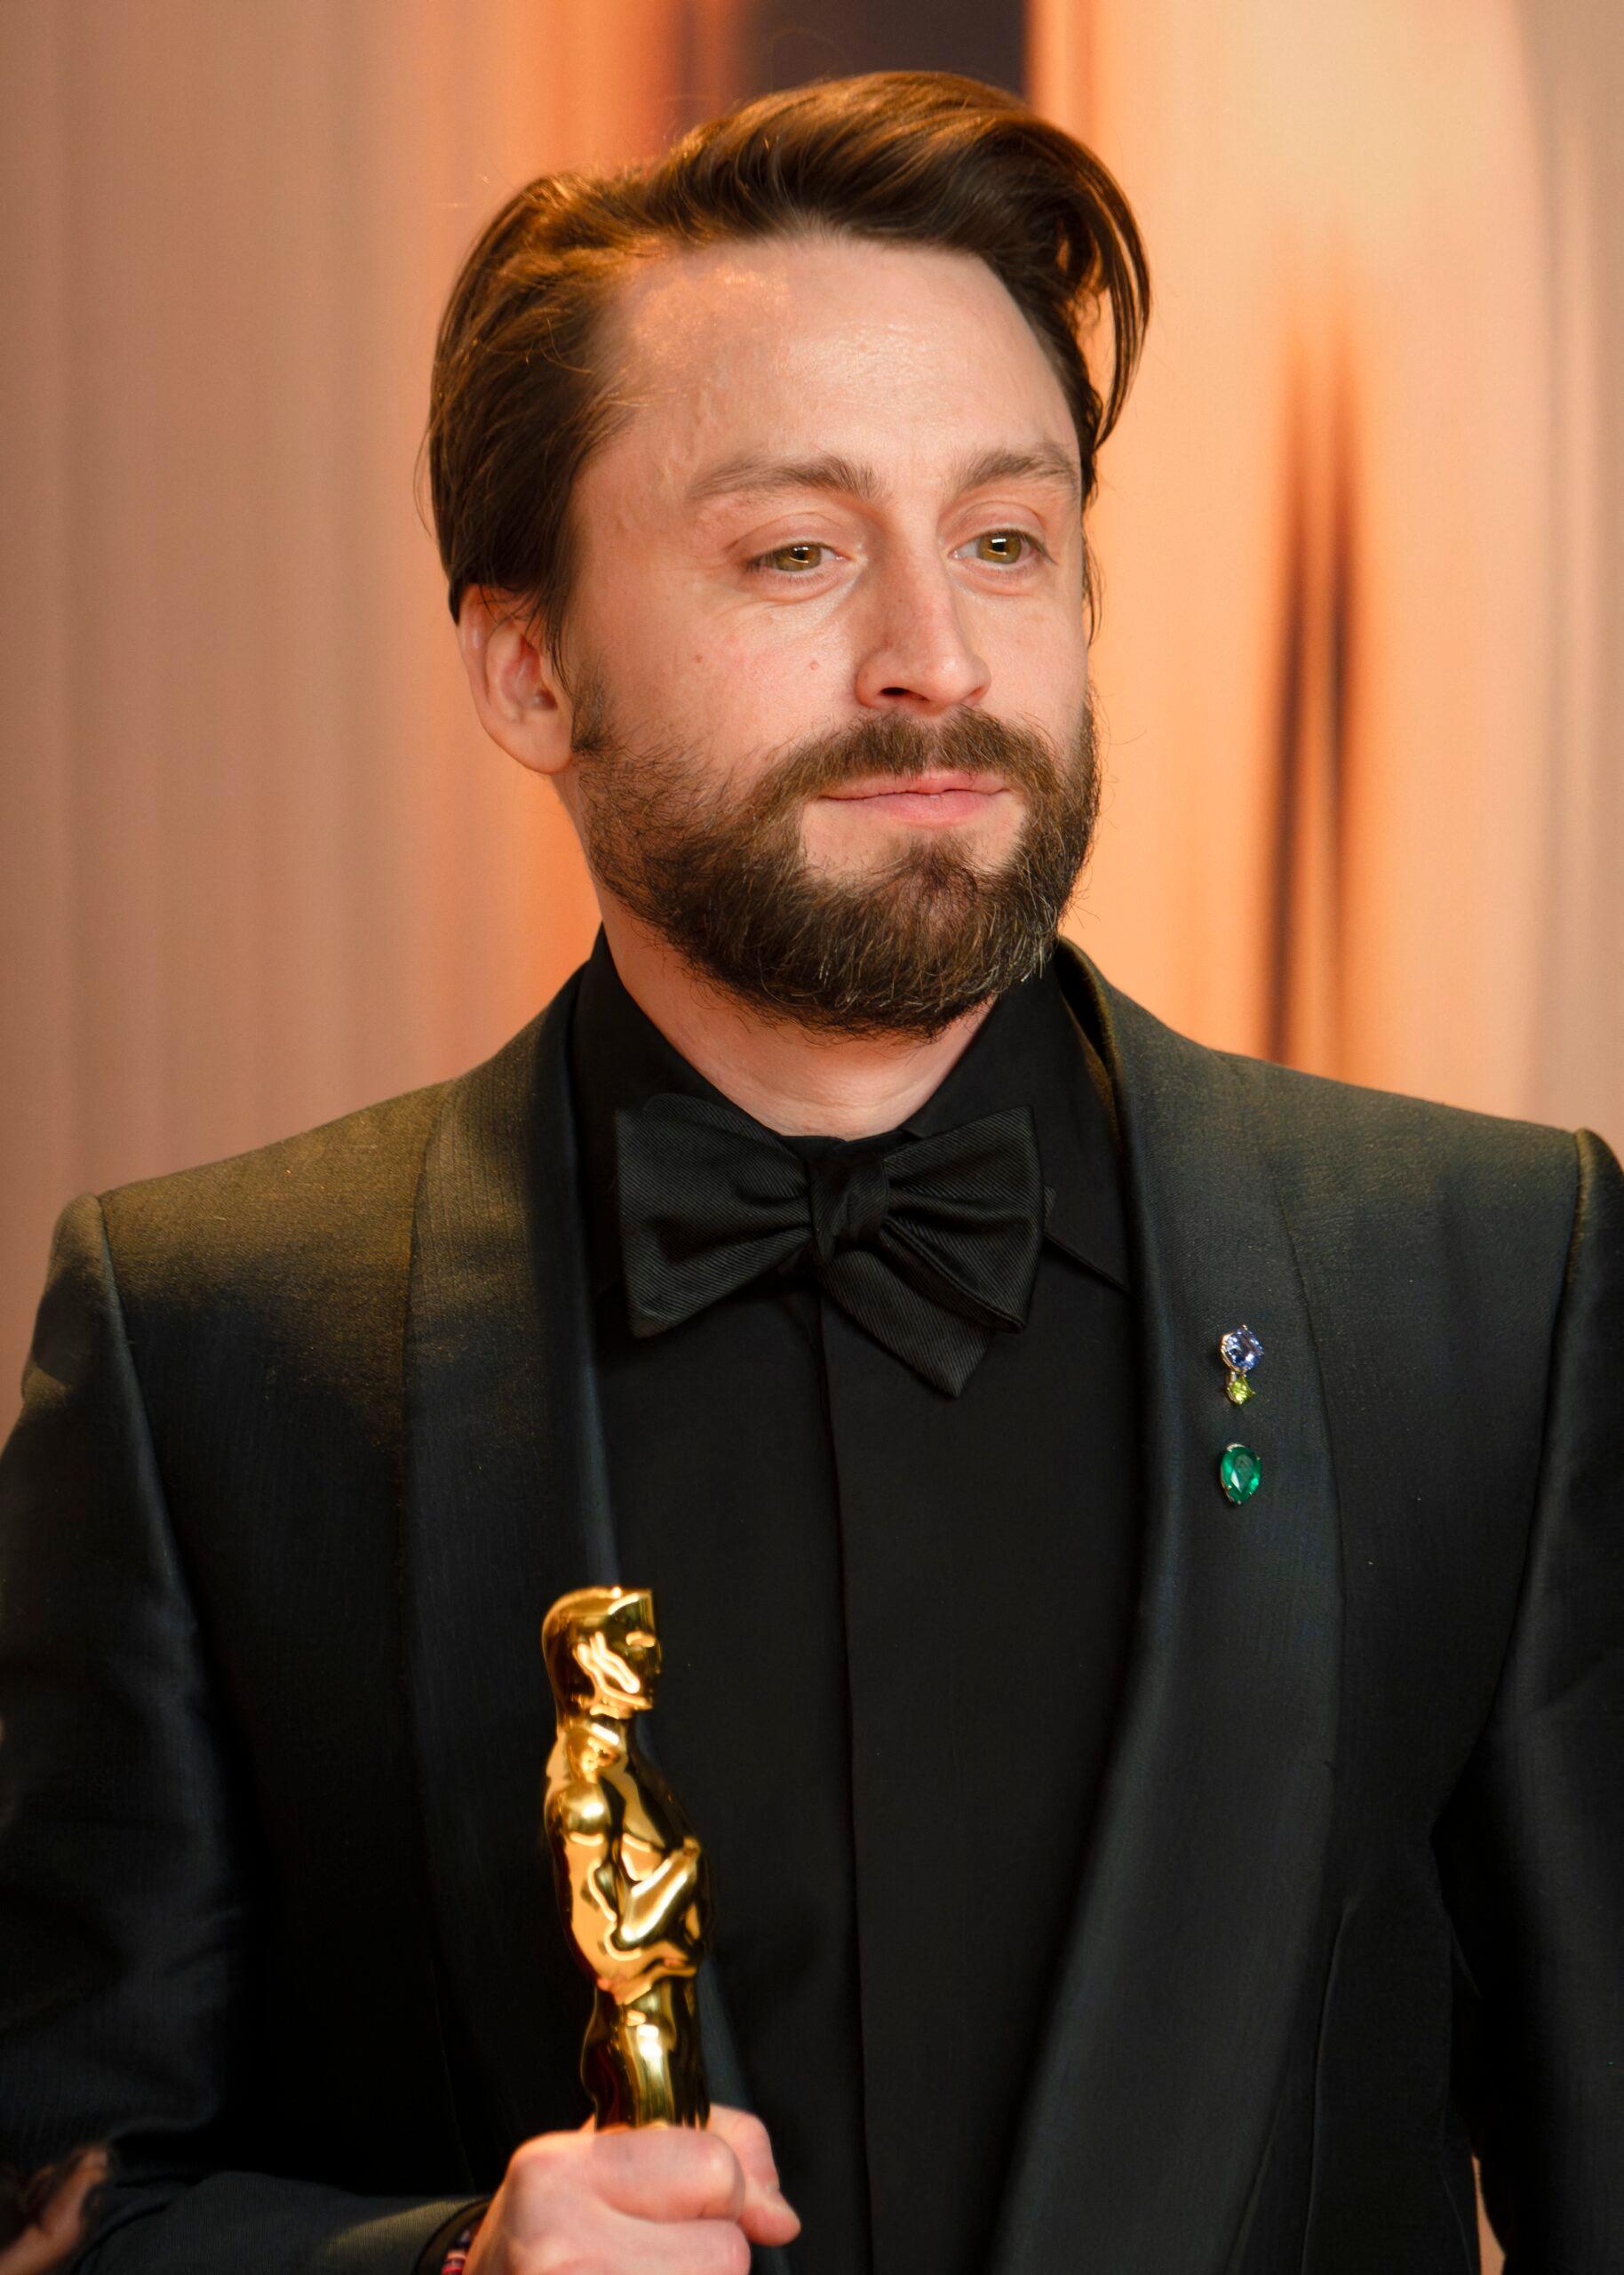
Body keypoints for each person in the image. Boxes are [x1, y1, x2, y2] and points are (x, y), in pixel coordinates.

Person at [1, 67, 1620, 2275]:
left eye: (1005, 538)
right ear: (526, 663)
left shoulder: (1486, 1283)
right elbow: (61, 2208)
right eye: (795, 550)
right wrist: (443, 2268)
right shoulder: (205, 1346)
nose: (935, 660)